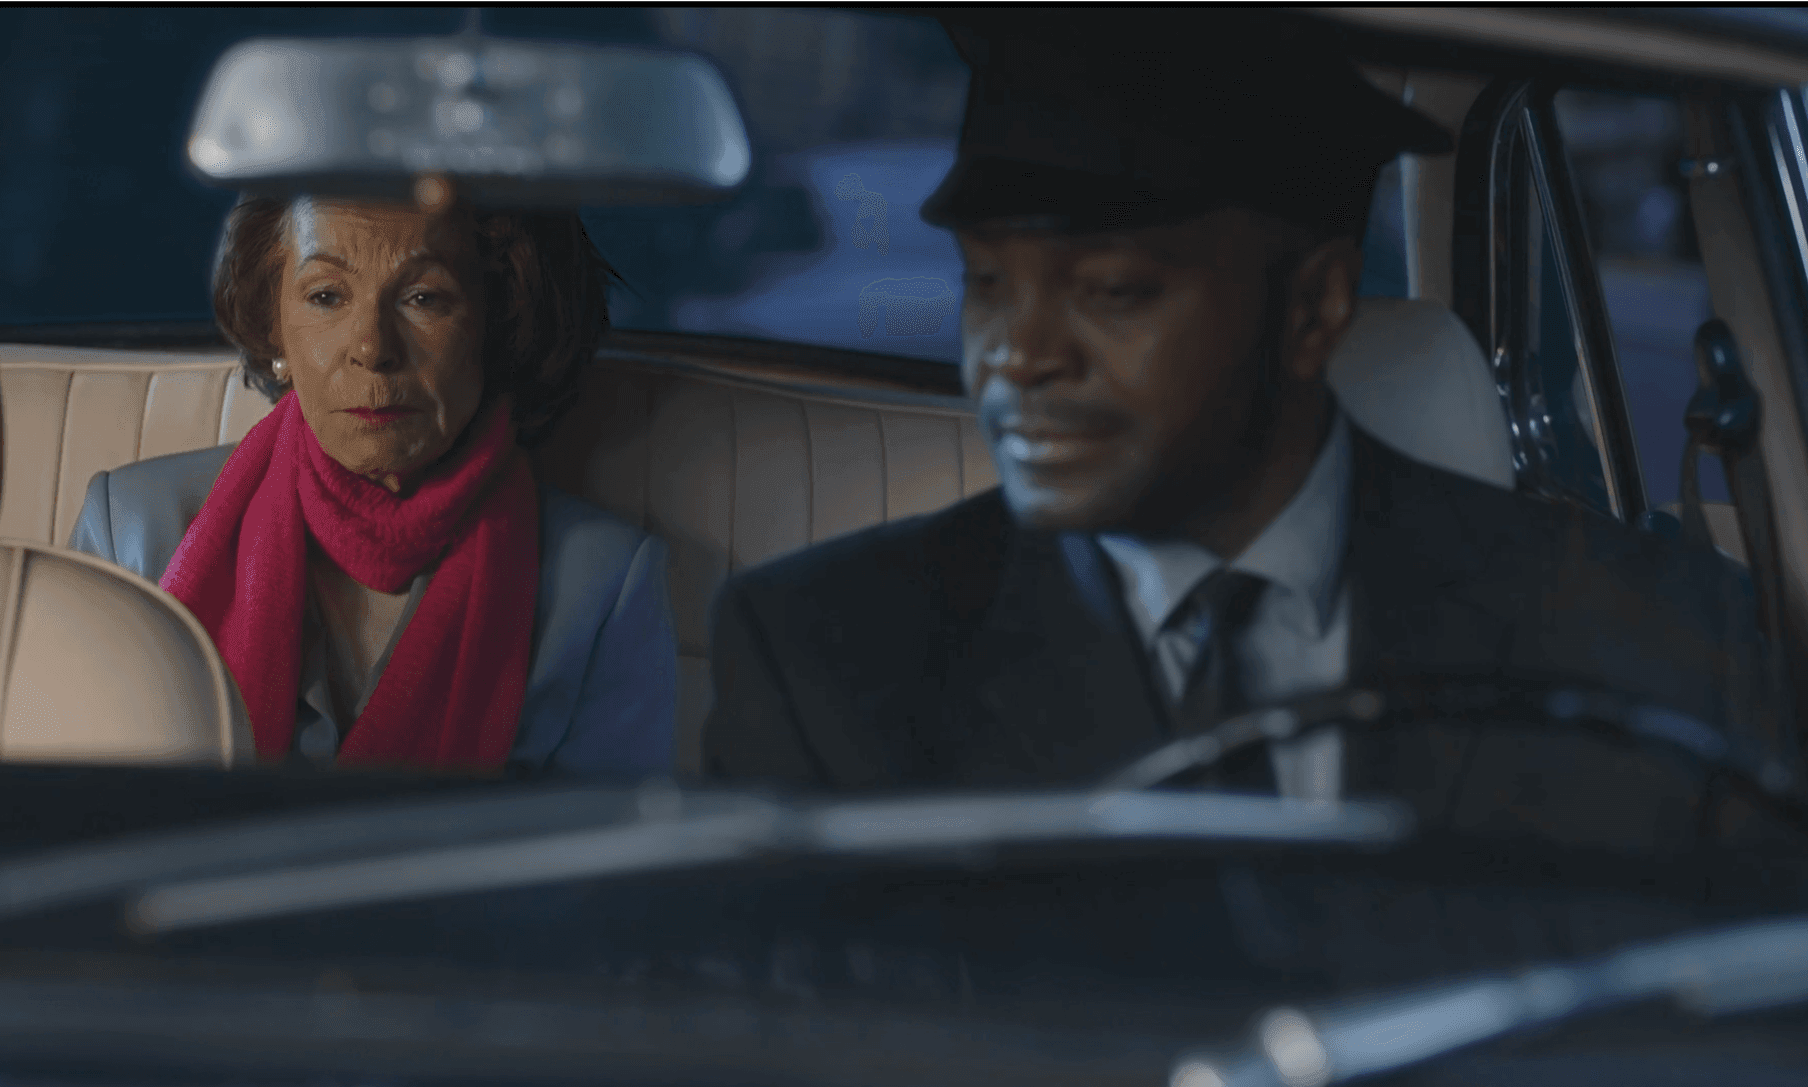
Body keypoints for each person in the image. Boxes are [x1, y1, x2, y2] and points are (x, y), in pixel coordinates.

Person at [701, 14, 1793, 852]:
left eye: (1115, 292)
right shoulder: (834, 662)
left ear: (1314, 306)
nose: (1014, 355)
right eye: (988, 285)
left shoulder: (1654, 647)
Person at [71, 182, 676, 781]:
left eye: (424, 297)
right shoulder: (128, 530)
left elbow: (606, 865)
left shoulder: (605, 585)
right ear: (275, 330)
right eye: (327, 295)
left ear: (500, 324)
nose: (372, 347)